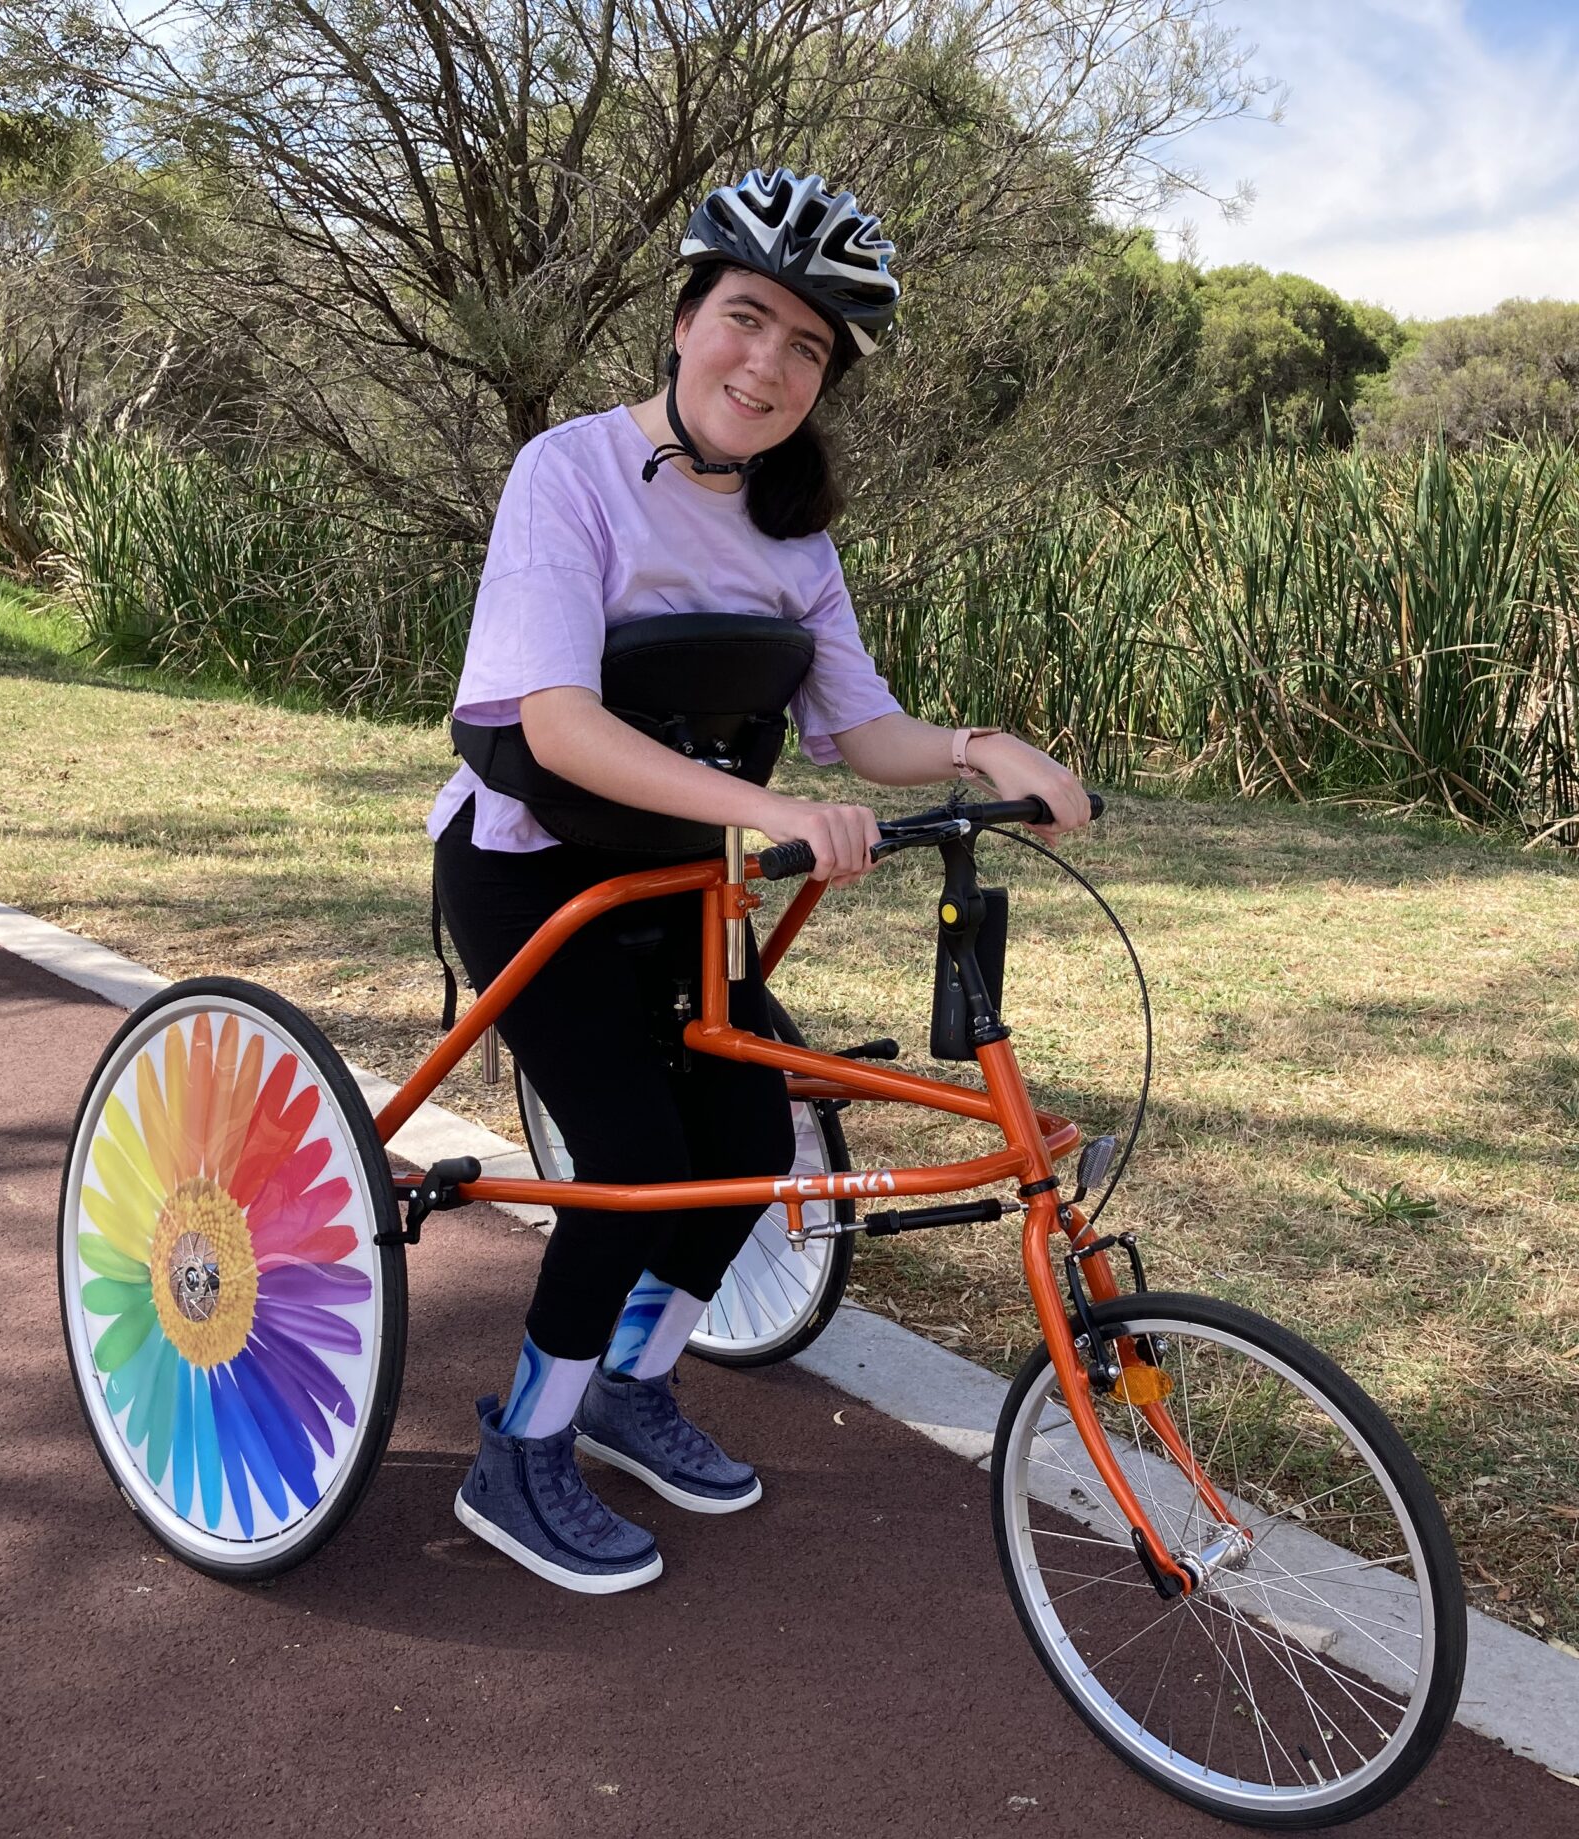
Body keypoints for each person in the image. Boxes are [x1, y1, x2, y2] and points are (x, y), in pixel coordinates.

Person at [429, 167, 1093, 1594]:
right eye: (749, 319)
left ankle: (626, 1388)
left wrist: (985, 751)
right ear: (683, 321)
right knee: (630, 1167)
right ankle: (517, 1452)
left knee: (750, 1140)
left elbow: (860, 729)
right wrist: (769, 807)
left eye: (810, 348)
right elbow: (557, 724)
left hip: (678, 886)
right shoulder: (571, 472)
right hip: (529, 873)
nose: (771, 363)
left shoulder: (795, 538)